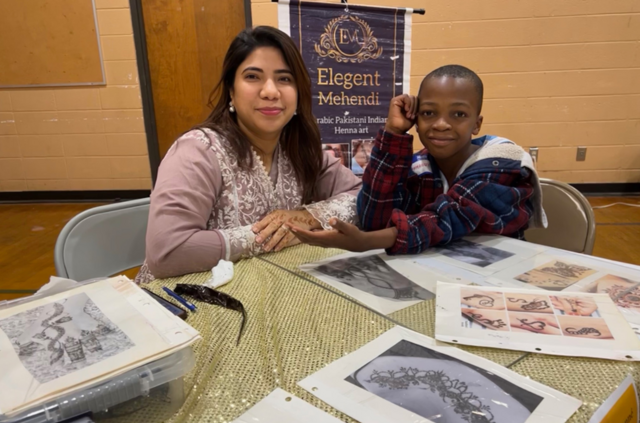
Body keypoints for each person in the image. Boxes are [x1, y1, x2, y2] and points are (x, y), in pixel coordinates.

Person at [136, 26, 361, 283]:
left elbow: (362, 198)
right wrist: (273, 234)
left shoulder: (301, 151)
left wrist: (306, 218)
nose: (270, 91)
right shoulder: (198, 151)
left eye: (285, 79)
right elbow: (166, 252)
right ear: (231, 90)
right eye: (253, 77)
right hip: (179, 304)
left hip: (269, 288)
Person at [288, 64, 546, 254]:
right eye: (429, 112)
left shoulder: (503, 161)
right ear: (417, 120)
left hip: (501, 275)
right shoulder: (420, 164)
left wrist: (367, 242)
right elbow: (375, 217)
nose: (441, 124)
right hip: (443, 272)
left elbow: (448, 217)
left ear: (477, 124)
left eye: (458, 114)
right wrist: (394, 133)